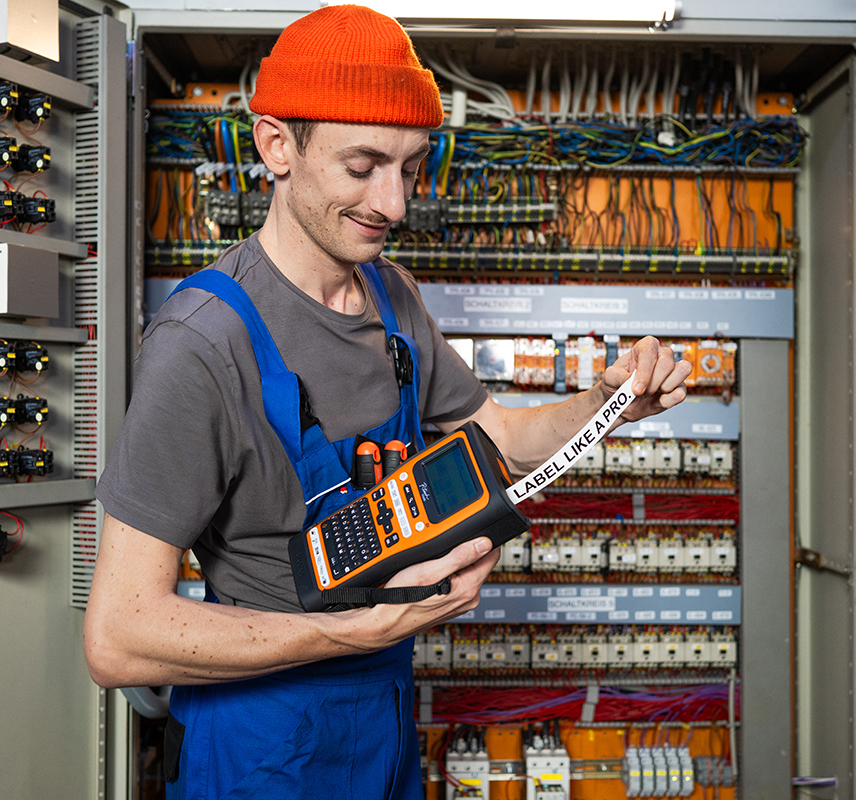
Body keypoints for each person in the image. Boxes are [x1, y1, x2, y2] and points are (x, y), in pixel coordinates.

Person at [82, 5, 690, 799]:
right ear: (276, 146)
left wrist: (605, 405)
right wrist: (356, 629)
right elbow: (119, 636)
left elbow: (498, 438)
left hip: (385, 713)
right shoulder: (201, 345)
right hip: (264, 741)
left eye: (410, 168)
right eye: (363, 165)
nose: (395, 204)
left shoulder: (390, 294)